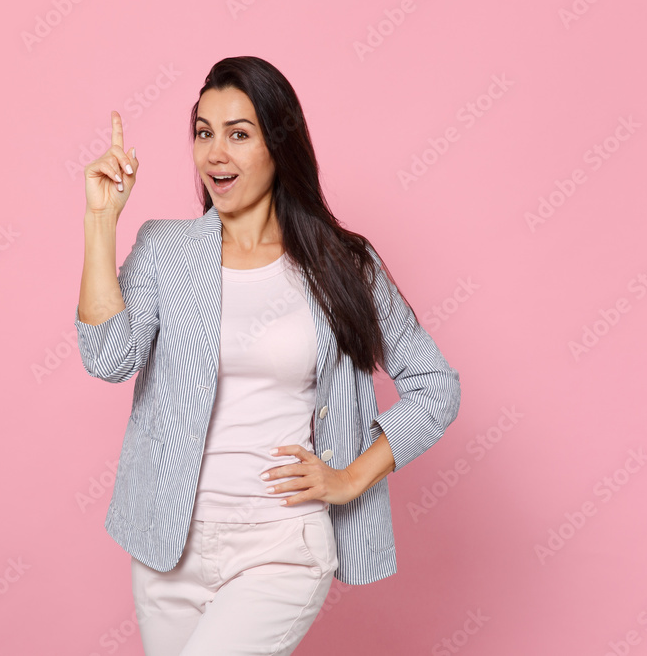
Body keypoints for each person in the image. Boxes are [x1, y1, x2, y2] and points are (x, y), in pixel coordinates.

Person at [75, 56, 461, 656]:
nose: (215, 153)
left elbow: (436, 387)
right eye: (204, 133)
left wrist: (351, 477)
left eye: (239, 133)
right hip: (167, 549)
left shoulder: (343, 265)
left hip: (280, 545)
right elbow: (107, 356)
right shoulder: (166, 250)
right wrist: (101, 222)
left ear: (280, 145)